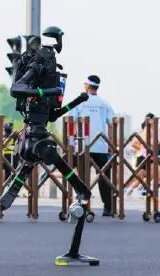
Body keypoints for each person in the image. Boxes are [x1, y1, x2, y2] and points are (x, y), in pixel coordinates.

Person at [68, 75, 115, 216]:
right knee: (104, 178)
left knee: (82, 178)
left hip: (83, 146)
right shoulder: (104, 103)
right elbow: (112, 125)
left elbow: (71, 122)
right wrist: (111, 144)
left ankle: (83, 206)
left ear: (88, 86)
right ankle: (108, 207)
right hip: (101, 147)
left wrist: (71, 142)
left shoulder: (80, 102)